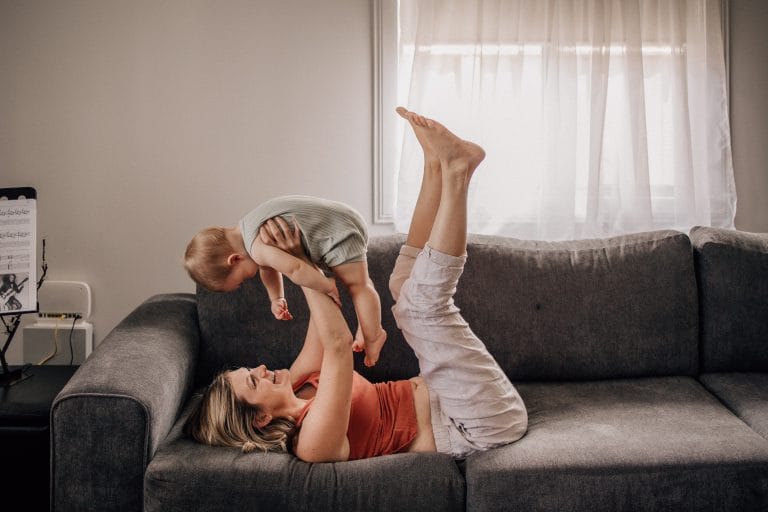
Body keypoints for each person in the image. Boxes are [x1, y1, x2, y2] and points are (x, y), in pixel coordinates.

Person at [184, 107, 528, 461]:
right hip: (478, 425)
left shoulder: (299, 380)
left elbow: (327, 318)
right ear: (260, 418)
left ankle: (435, 168)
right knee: (419, 308)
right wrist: (296, 264)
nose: (260, 369)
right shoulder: (312, 442)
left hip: (455, 395)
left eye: (250, 371)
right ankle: (458, 171)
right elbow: (338, 343)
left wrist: (305, 256)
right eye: (253, 381)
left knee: (400, 284)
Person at [184, 195, 386, 367]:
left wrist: (325, 285)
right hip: (341, 219)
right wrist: (276, 298)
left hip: (338, 233)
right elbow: (268, 269)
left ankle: (374, 335)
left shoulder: (257, 249)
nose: (246, 281)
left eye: (241, 280)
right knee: (360, 283)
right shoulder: (247, 229)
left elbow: (295, 268)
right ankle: (366, 325)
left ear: (234, 260)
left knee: (358, 287)